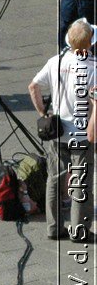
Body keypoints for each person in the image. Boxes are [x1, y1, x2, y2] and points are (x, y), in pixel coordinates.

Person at [30, 18, 95, 241]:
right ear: (89, 44)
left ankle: (54, 227)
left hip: (57, 132)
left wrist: (43, 114)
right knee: (81, 183)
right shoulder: (92, 69)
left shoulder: (55, 62)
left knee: (54, 179)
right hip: (82, 133)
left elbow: (34, 86)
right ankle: (79, 230)